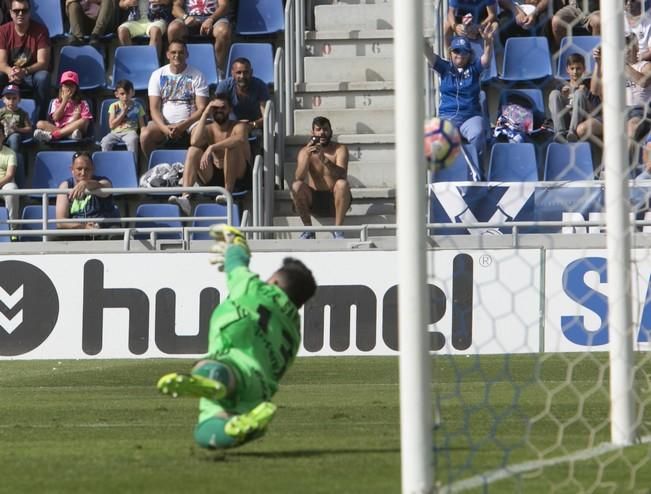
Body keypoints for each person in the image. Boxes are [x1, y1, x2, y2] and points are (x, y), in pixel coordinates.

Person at [157, 224, 317, 450]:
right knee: (206, 431)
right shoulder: (294, 332)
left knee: (210, 367)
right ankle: (237, 427)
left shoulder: (257, 289)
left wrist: (236, 243)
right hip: (259, 391)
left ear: (275, 283)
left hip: (234, 364)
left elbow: (236, 263)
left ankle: (212, 378)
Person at [169, 93, 250, 214]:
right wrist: (205, 113)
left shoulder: (239, 125)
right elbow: (194, 141)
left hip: (238, 176)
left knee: (231, 147)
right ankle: (185, 197)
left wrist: (212, 147)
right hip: (215, 174)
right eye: (215, 108)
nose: (219, 111)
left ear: (230, 109)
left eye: (223, 108)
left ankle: (227, 194)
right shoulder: (208, 128)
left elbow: (239, 139)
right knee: (193, 150)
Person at [424, 30, 494, 171]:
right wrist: (423, 44)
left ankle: (477, 172)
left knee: (478, 132)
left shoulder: (474, 69)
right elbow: (430, 56)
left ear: (469, 54)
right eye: (456, 51)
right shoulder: (445, 68)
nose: (460, 55)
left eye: (464, 52)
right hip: (448, 116)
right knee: (436, 137)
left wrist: (488, 42)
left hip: (470, 116)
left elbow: (486, 59)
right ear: (450, 52)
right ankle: (442, 176)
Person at [140, 39, 209, 159]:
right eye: (173, 52)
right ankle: (154, 167)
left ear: (187, 54)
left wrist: (182, 126)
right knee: (145, 135)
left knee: (202, 134)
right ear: (168, 54)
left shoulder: (197, 75)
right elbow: (154, 108)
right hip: (164, 124)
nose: (177, 56)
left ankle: (196, 169)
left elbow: (201, 108)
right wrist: (164, 128)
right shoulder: (157, 75)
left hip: (191, 124)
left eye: (181, 52)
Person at [291, 116, 351, 240]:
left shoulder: (340, 149)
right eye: (318, 129)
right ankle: (308, 231)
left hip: (334, 198)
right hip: (315, 200)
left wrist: (324, 159)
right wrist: (307, 156)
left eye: (325, 129)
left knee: (342, 184)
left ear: (331, 132)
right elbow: (299, 177)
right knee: (296, 186)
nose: (322, 133)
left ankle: (338, 230)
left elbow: (342, 174)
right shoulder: (304, 151)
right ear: (312, 132)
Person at [0, 0, 51, 121]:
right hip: (10, 75)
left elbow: (43, 63)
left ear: (30, 12)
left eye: (24, 10)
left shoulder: (40, 31)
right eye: (16, 11)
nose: (20, 14)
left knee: (43, 77)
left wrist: (25, 71)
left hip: (30, 76)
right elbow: (1, 63)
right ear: (10, 13)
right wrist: (10, 72)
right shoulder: (3, 31)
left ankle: (40, 123)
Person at [168, 0, 236, 78]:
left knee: (223, 31)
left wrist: (211, 19)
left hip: (214, 18)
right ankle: (177, 68)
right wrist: (185, 17)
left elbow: (224, 6)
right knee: (173, 29)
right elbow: (175, 7)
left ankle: (219, 71)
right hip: (189, 18)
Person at [55, 152, 120, 232]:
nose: (83, 173)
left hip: (103, 227)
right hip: (78, 229)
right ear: (72, 170)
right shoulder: (65, 186)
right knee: (54, 238)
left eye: (87, 169)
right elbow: (60, 222)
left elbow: (104, 187)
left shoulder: (104, 181)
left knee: (116, 233)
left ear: (93, 169)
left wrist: (85, 183)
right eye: (79, 169)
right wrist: (84, 226)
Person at [32, 71, 93, 143]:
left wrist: (75, 120)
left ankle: (53, 136)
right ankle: (68, 136)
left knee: (84, 120)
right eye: (66, 85)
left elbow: (86, 123)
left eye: (71, 85)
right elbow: (55, 118)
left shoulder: (82, 103)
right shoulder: (56, 102)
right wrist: (64, 101)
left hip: (74, 129)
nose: (68, 88)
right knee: (40, 123)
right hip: (57, 128)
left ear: (76, 88)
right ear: (61, 87)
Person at [215, 57, 269, 134]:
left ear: (251, 72)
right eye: (238, 72)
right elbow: (218, 114)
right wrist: (236, 125)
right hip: (230, 126)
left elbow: (266, 117)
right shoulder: (224, 86)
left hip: (254, 127)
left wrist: (252, 125)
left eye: (246, 72)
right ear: (232, 73)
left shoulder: (260, 86)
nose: (242, 76)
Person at [548, 53, 592, 142]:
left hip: (580, 121)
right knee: (554, 93)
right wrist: (563, 97)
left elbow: (593, 111)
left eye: (578, 68)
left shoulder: (589, 85)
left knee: (579, 93)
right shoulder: (561, 86)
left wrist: (586, 94)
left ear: (584, 69)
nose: (575, 72)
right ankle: (560, 132)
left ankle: (573, 132)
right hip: (565, 119)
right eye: (572, 69)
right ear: (567, 70)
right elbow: (554, 106)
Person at [100, 79, 146, 158]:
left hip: (130, 132)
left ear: (133, 92)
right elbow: (112, 125)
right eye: (122, 94)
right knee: (105, 142)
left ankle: (133, 165)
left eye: (128, 93)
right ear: (116, 94)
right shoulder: (113, 106)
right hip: (115, 133)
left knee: (133, 139)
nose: (125, 96)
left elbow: (142, 125)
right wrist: (123, 112)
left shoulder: (137, 106)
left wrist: (143, 135)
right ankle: (107, 162)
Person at [0, 84, 32, 185]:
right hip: (2, 136)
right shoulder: (1, 112)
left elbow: (29, 128)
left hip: (14, 137)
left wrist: (18, 129)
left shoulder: (22, 113)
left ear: (19, 100)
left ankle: (12, 157)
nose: (11, 101)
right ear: (3, 100)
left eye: (14, 98)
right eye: (8, 98)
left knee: (15, 137)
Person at [0, 126, 19, 229]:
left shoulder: (11, 153)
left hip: (5, 184)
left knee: (12, 190)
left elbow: (9, 175)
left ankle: (13, 229)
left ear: (3, 136)